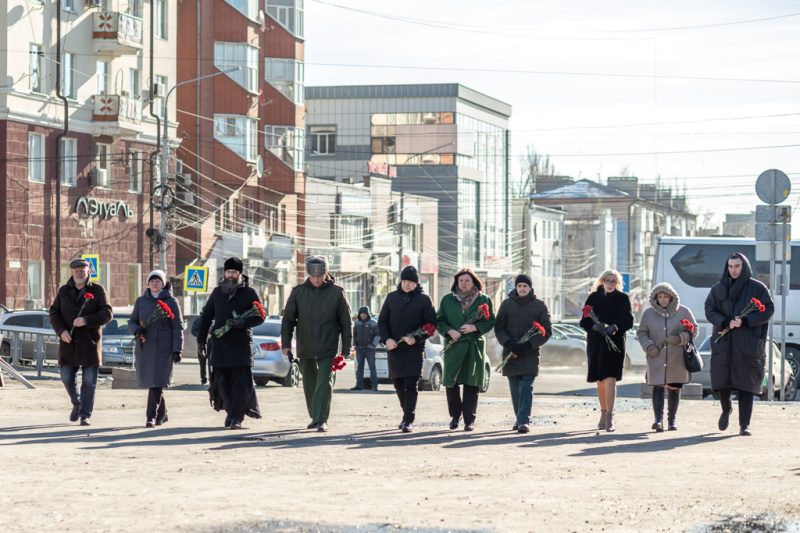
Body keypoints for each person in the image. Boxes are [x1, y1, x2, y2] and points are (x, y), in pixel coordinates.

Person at [705, 252, 774, 436]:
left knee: (746, 386)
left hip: (748, 344)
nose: (733, 270)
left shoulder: (758, 288)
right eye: (730, 266)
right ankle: (726, 409)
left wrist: (745, 320)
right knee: (723, 383)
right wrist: (726, 321)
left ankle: (744, 425)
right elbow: (709, 309)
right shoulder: (718, 288)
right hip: (724, 343)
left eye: (737, 266)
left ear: (744, 267)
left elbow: (768, 309)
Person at [281, 256, 352, 433]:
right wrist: (286, 344)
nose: (316, 280)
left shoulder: (337, 292)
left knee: (324, 382)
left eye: (319, 276)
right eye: (312, 277)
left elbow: (346, 322)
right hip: (305, 346)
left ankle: (322, 419)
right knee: (310, 384)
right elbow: (288, 320)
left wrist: (346, 348)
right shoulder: (298, 292)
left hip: (329, 346)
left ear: (325, 273)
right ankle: (315, 416)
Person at [196, 257, 265, 430]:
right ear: (224, 273)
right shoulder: (217, 293)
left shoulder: (249, 293)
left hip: (240, 346)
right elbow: (206, 317)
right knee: (221, 383)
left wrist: (243, 322)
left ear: (240, 274)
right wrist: (201, 341)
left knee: (239, 385)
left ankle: (236, 418)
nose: (231, 276)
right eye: (228, 272)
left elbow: (260, 316)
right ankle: (230, 412)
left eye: (234, 272)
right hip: (220, 346)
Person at [48, 258, 113, 426]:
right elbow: (54, 312)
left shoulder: (98, 290)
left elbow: (107, 313)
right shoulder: (63, 291)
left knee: (89, 382)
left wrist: (86, 320)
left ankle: (85, 415)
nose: (79, 273)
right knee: (66, 377)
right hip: (68, 344)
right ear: (72, 272)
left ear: (88, 272)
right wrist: (61, 331)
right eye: (76, 270)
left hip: (89, 344)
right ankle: (76, 403)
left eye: (82, 270)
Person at [378, 266, 437, 433]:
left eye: (410, 282)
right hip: (395, 348)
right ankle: (406, 414)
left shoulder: (424, 300)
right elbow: (382, 321)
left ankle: (408, 418)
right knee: (398, 384)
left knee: (411, 384)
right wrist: (387, 339)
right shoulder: (391, 297)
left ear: (416, 283)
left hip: (413, 349)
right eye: (404, 281)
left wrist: (416, 338)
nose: (406, 285)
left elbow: (431, 325)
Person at [436, 268, 496, 431]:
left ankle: (469, 420)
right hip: (454, 345)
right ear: (456, 282)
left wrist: (474, 327)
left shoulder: (483, 299)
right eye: (461, 280)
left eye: (467, 281)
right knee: (451, 382)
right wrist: (449, 331)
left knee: (472, 383)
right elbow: (439, 320)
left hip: (473, 346)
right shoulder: (447, 299)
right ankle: (455, 417)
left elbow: (490, 321)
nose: (464, 284)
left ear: (474, 283)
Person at [493, 274, 552, 434]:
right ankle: (520, 418)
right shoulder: (506, 304)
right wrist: (508, 342)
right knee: (515, 387)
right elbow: (499, 327)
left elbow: (546, 331)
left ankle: (523, 421)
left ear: (530, 288)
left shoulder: (540, 305)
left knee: (526, 386)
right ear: (516, 287)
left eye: (525, 286)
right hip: (511, 352)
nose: (522, 289)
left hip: (530, 353)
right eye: (519, 286)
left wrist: (529, 344)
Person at [637, 282, 699, 432]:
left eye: (666, 296)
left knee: (674, 387)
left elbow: (694, 330)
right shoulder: (648, 313)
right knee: (658, 387)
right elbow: (642, 333)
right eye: (660, 296)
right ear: (655, 298)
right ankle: (658, 420)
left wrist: (680, 339)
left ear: (672, 297)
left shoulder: (684, 311)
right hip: (656, 357)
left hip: (676, 358)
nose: (663, 299)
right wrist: (649, 347)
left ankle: (672, 420)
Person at [579, 269, 634, 432]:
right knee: (600, 380)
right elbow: (584, 322)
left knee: (611, 378)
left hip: (615, 343)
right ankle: (603, 413)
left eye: (614, 281)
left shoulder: (623, 299)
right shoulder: (593, 297)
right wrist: (594, 326)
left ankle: (610, 417)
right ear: (602, 281)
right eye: (608, 280)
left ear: (618, 284)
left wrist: (616, 327)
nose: (610, 284)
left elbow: (629, 321)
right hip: (596, 343)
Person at [129, 270, 184, 428]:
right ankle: (162, 414)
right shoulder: (141, 301)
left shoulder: (171, 302)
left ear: (163, 283)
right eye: (152, 280)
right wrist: (136, 330)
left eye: (158, 280)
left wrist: (177, 350)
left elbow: (178, 327)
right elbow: (132, 321)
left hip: (163, 349)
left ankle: (150, 417)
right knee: (153, 382)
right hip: (145, 347)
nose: (154, 283)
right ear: (148, 283)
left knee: (157, 382)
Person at [351, 306, 380, 391]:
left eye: (365, 314)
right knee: (359, 368)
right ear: (359, 315)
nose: (363, 315)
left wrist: (373, 345)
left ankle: (374, 386)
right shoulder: (356, 324)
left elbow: (377, 335)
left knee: (372, 367)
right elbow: (354, 336)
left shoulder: (373, 323)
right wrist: (354, 345)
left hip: (369, 349)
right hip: (359, 349)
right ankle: (359, 385)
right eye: (362, 314)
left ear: (368, 314)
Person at [191, 317, 212, 386]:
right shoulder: (199, 319)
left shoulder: (215, 317)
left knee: (211, 363)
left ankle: (211, 379)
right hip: (202, 343)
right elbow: (193, 331)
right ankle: (203, 379)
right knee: (202, 364)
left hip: (212, 344)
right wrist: (202, 335)